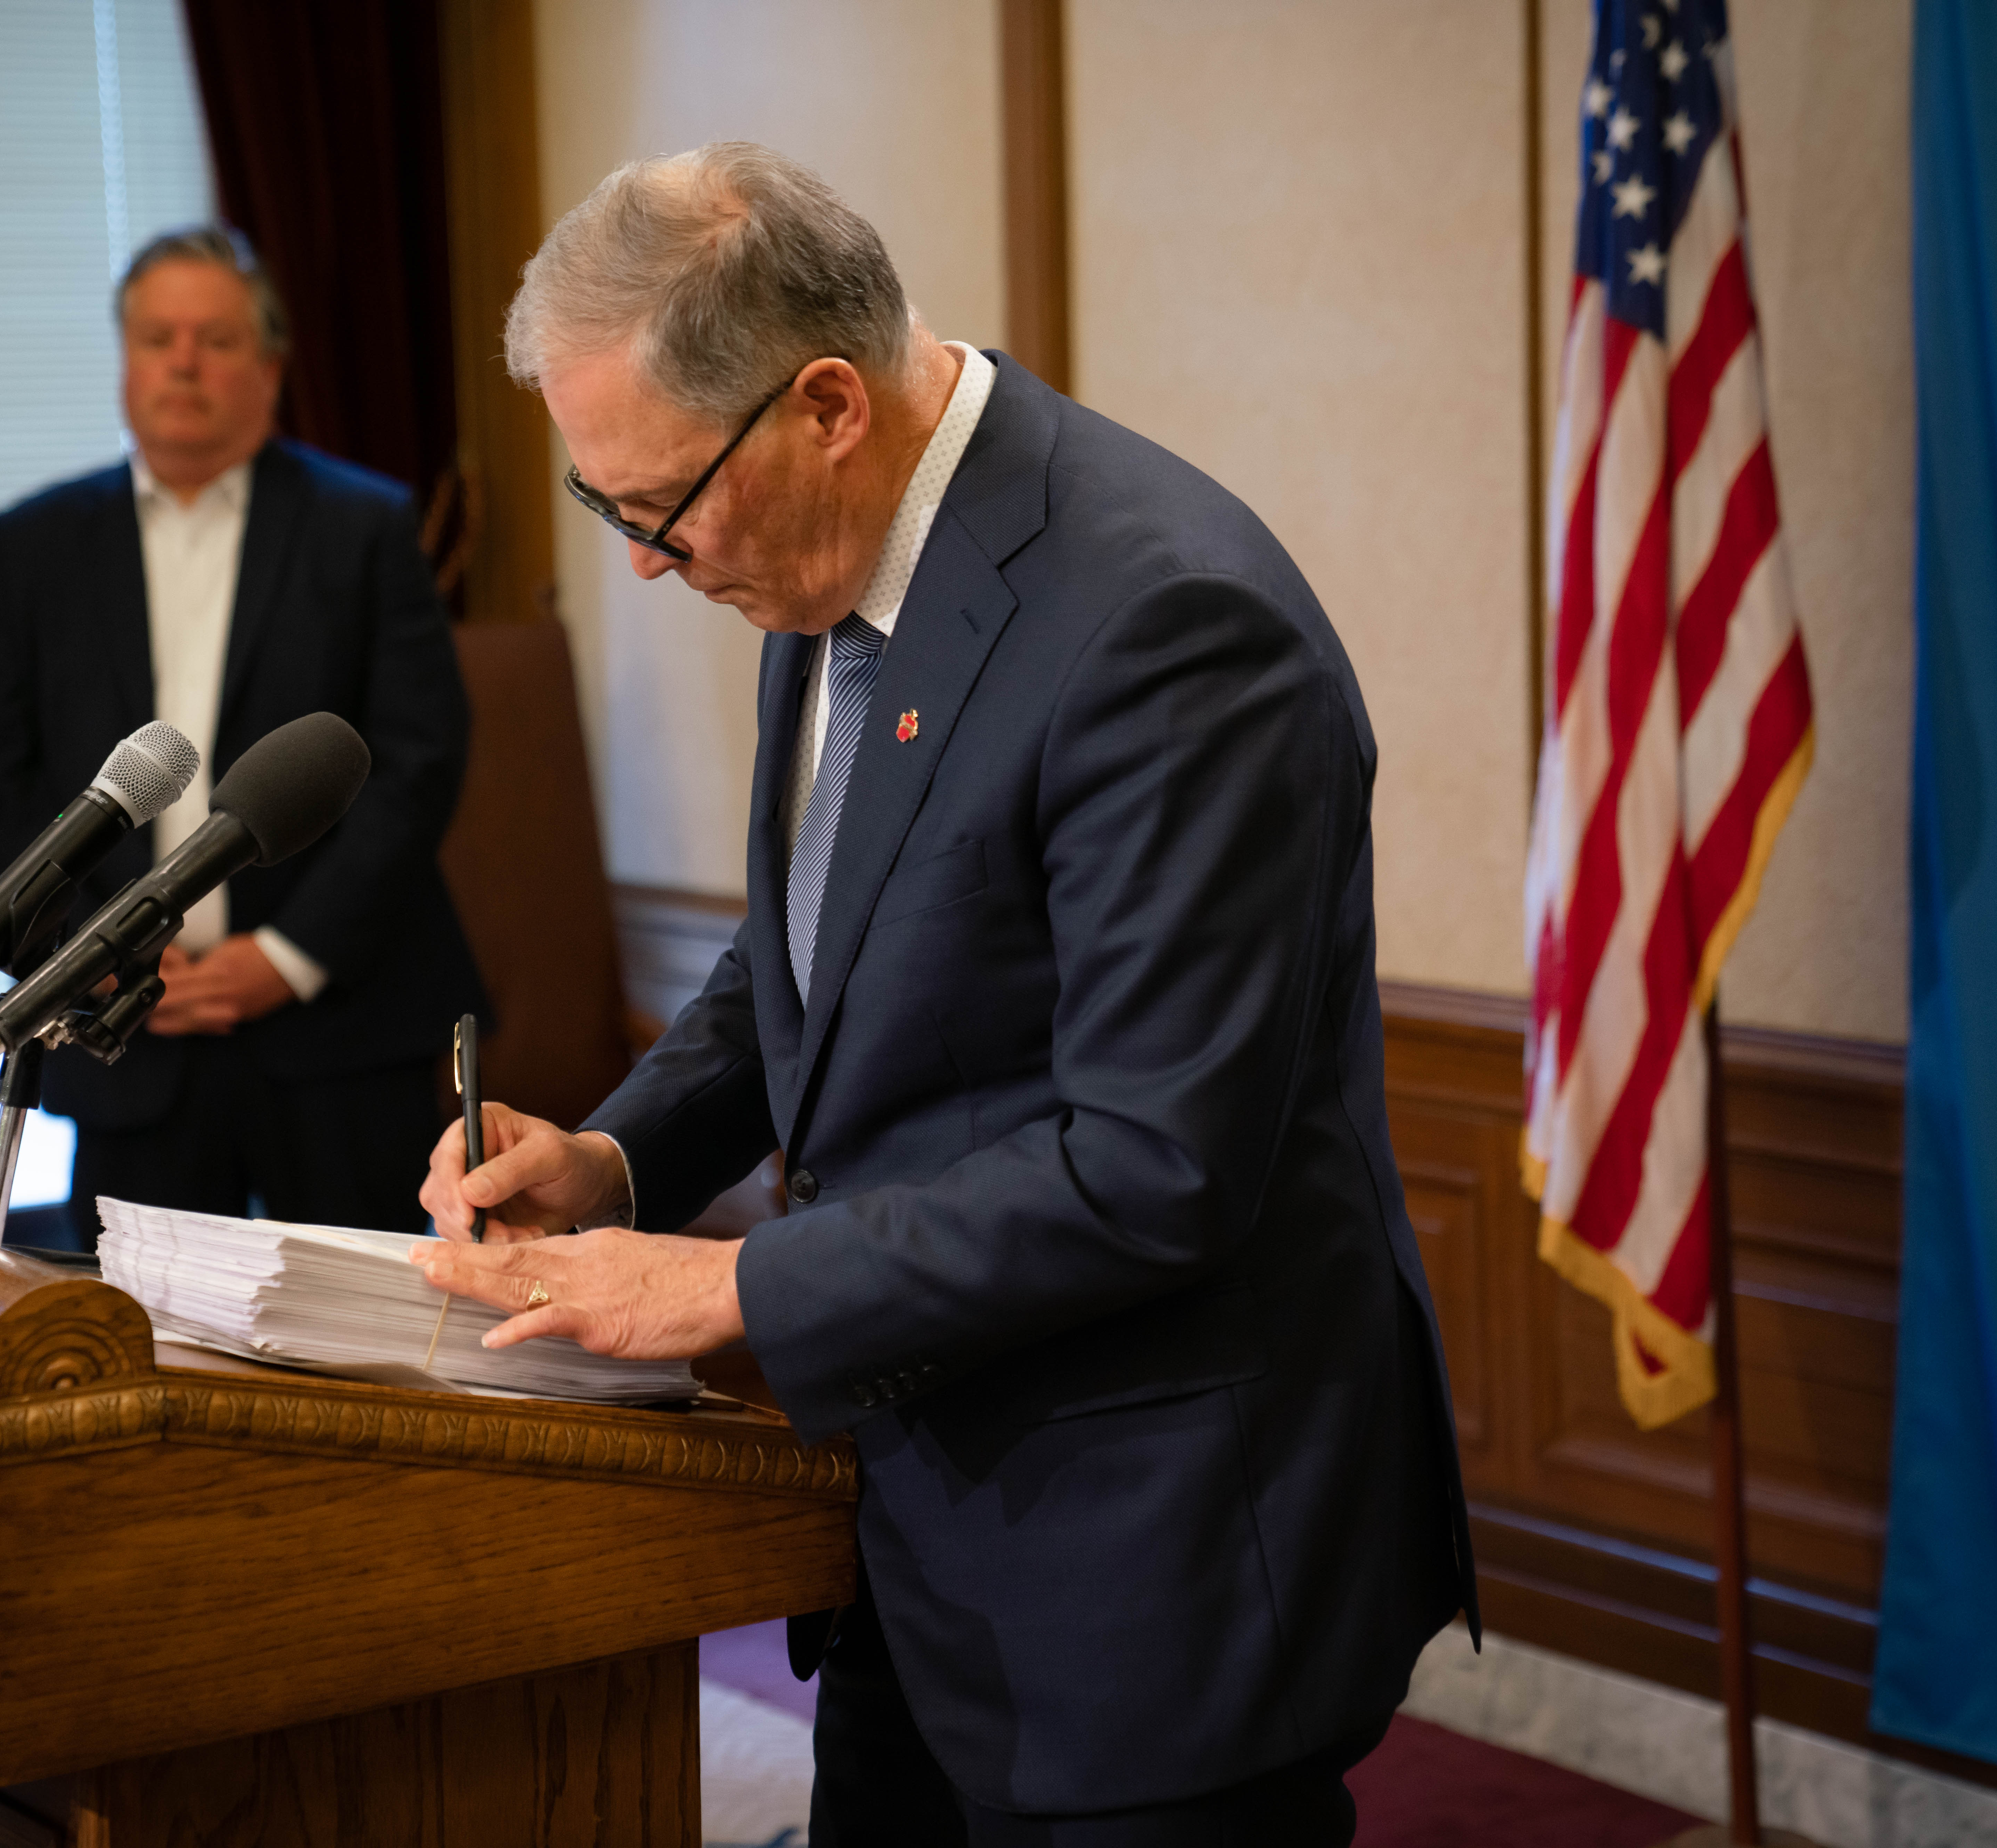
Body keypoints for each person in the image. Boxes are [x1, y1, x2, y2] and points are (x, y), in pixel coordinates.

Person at [412, 145, 1476, 1845]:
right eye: (606, 512)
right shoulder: (817, 551)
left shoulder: (1169, 627)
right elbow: (812, 954)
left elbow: (1154, 1168)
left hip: (1155, 1562)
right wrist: (618, 1165)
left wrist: (729, 1286)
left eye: (659, 511)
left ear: (826, 402)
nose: (642, 565)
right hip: (918, 1513)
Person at [0, 225, 484, 1244]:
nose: (184, 362)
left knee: (362, 1361)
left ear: (272, 365)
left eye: (216, 339)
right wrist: (93, 949)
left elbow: (419, 759)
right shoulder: (31, 547)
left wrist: (287, 956)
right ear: (125, 361)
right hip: (123, 1036)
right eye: (158, 337)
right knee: (142, 1357)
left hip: (337, 1023)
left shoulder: (365, 526)